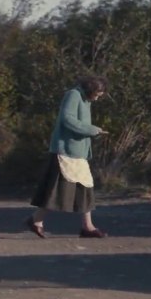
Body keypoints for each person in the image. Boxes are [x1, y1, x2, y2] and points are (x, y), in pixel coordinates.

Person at [26, 76, 110, 238]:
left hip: (77, 153)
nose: (98, 97)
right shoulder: (73, 95)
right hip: (66, 152)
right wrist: (92, 130)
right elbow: (67, 120)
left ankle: (87, 226)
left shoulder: (86, 100)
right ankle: (37, 220)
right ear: (90, 89)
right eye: (98, 93)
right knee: (58, 189)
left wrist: (94, 131)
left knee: (84, 188)